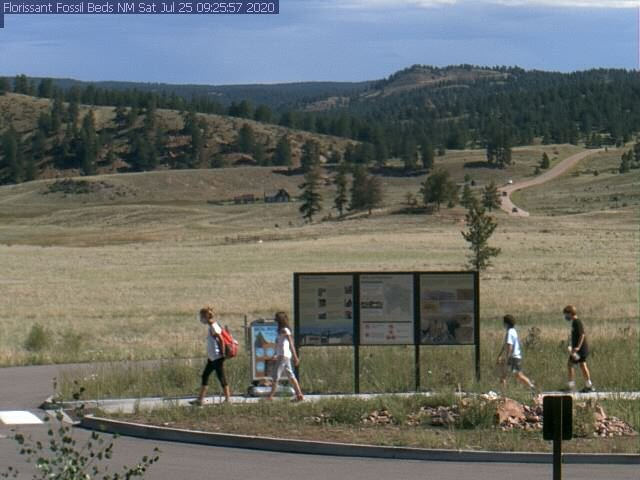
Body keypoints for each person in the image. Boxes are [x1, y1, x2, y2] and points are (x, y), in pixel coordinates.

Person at [191, 306, 231, 405]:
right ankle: (200, 399)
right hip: (212, 357)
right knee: (205, 376)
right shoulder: (212, 326)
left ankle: (227, 399)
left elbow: (221, 339)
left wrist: (222, 353)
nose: (201, 319)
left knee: (221, 377)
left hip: (217, 357)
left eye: (202, 316)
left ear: (206, 316)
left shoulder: (213, 326)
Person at [267, 312, 304, 401]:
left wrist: (295, 357)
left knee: (276, 375)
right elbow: (279, 345)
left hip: (283, 355)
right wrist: (275, 354)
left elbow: (291, 344)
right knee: (290, 375)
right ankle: (299, 394)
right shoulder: (280, 331)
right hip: (282, 355)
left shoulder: (285, 330)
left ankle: (270, 396)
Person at [496, 314, 536, 393]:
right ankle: (531, 387)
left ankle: (503, 394)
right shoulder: (513, 331)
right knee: (517, 375)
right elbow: (505, 345)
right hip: (516, 357)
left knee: (505, 375)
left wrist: (506, 358)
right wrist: (500, 355)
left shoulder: (510, 333)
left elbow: (509, 346)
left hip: (512, 357)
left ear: (506, 323)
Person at [563, 305, 594, 393]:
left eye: (566, 314)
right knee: (582, 365)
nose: (566, 317)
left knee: (570, 364)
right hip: (577, 349)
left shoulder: (577, 322)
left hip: (580, 349)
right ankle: (588, 385)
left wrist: (578, 347)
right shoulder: (574, 322)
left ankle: (571, 386)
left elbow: (582, 335)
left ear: (570, 313)